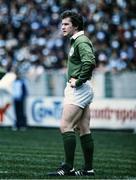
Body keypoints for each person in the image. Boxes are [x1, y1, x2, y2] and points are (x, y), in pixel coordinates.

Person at [48, 10, 96, 176]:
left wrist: (79, 80)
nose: (63, 27)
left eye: (66, 24)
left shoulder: (81, 41)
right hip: (83, 88)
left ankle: (68, 167)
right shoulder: (77, 40)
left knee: (65, 126)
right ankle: (88, 169)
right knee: (83, 128)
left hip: (79, 88)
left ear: (76, 26)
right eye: (62, 24)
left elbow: (89, 61)